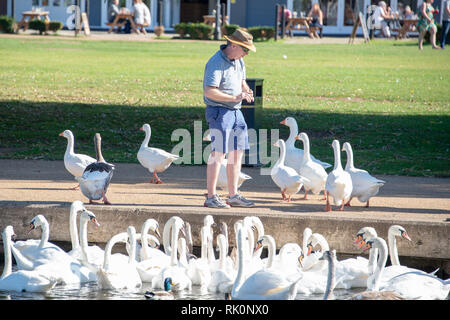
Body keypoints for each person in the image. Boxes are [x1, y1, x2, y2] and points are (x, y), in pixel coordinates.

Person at [203, 29, 256, 209]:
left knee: (237, 152)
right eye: (245, 49)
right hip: (219, 111)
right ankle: (211, 197)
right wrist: (233, 98)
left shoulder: (238, 60)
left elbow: (241, 81)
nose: (246, 54)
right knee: (218, 153)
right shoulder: (216, 62)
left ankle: (233, 195)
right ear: (233, 45)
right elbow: (209, 90)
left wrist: (246, 90)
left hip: (236, 112)